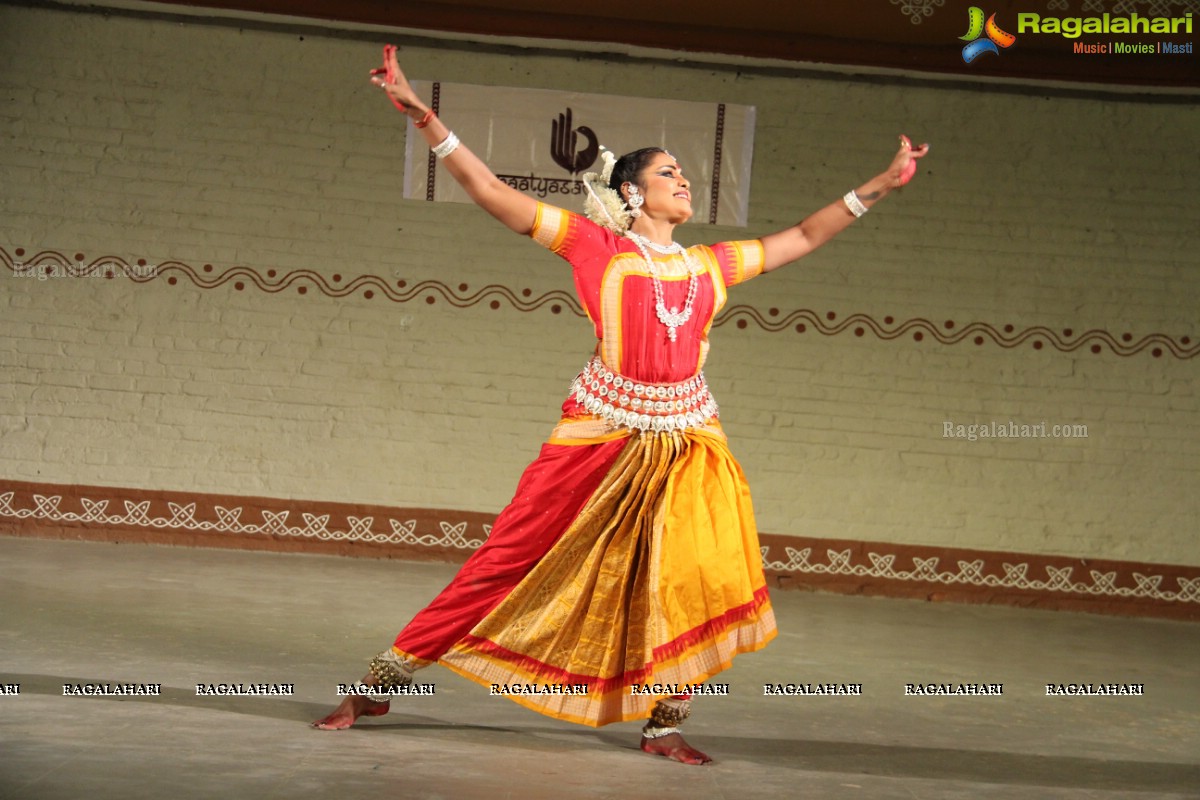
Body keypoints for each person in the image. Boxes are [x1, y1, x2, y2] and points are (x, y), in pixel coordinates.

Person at [313, 45, 929, 766]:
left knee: (691, 576)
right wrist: (423, 117)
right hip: (599, 431)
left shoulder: (711, 264)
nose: (685, 182)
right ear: (633, 193)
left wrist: (881, 185)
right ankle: (381, 681)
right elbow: (489, 191)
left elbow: (803, 235)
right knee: (507, 558)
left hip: (690, 438)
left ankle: (664, 721)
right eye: (669, 173)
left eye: (685, 173)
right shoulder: (593, 246)